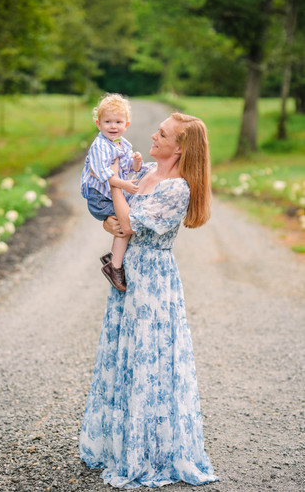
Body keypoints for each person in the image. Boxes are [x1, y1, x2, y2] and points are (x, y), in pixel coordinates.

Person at [79, 112, 219, 488]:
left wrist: (113, 188)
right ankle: (121, 444)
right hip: (130, 273)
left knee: (148, 357)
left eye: (162, 134)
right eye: (157, 131)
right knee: (124, 352)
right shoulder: (146, 175)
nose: (153, 137)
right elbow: (113, 223)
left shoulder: (177, 188)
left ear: (180, 147)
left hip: (154, 279)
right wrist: (115, 213)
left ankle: (150, 451)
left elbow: (127, 223)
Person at [80, 93, 145, 292]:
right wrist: (124, 185)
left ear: (127, 124)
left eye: (118, 121)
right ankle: (114, 268)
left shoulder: (123, 144)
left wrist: (136, 163)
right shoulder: (99, 146)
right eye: (108, 121)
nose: (113, 126)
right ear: (99, 124)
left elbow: (127, 170)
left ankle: (113, 256)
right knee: (126, 223)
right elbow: (104, 174)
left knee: (125, 221)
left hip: (110, 192)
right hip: (98, 197)